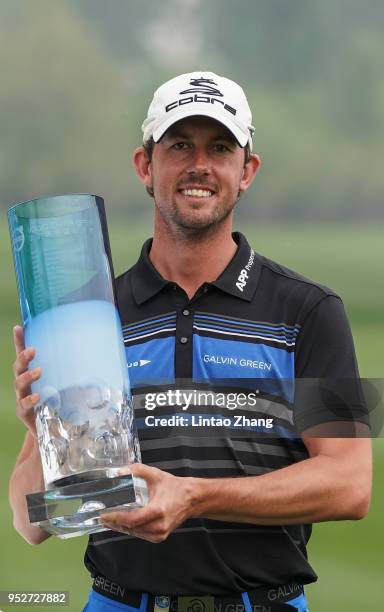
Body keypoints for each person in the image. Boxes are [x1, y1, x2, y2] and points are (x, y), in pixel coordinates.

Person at [10, 71, 372, 612]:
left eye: (219, 148)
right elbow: (28, 521)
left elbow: (349, 484)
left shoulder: (314, 310)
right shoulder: (86, 315)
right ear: (145, 166)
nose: (199, 165)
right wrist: (41, 428)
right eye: (180, 145)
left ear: (246, 170)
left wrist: (195, 497)